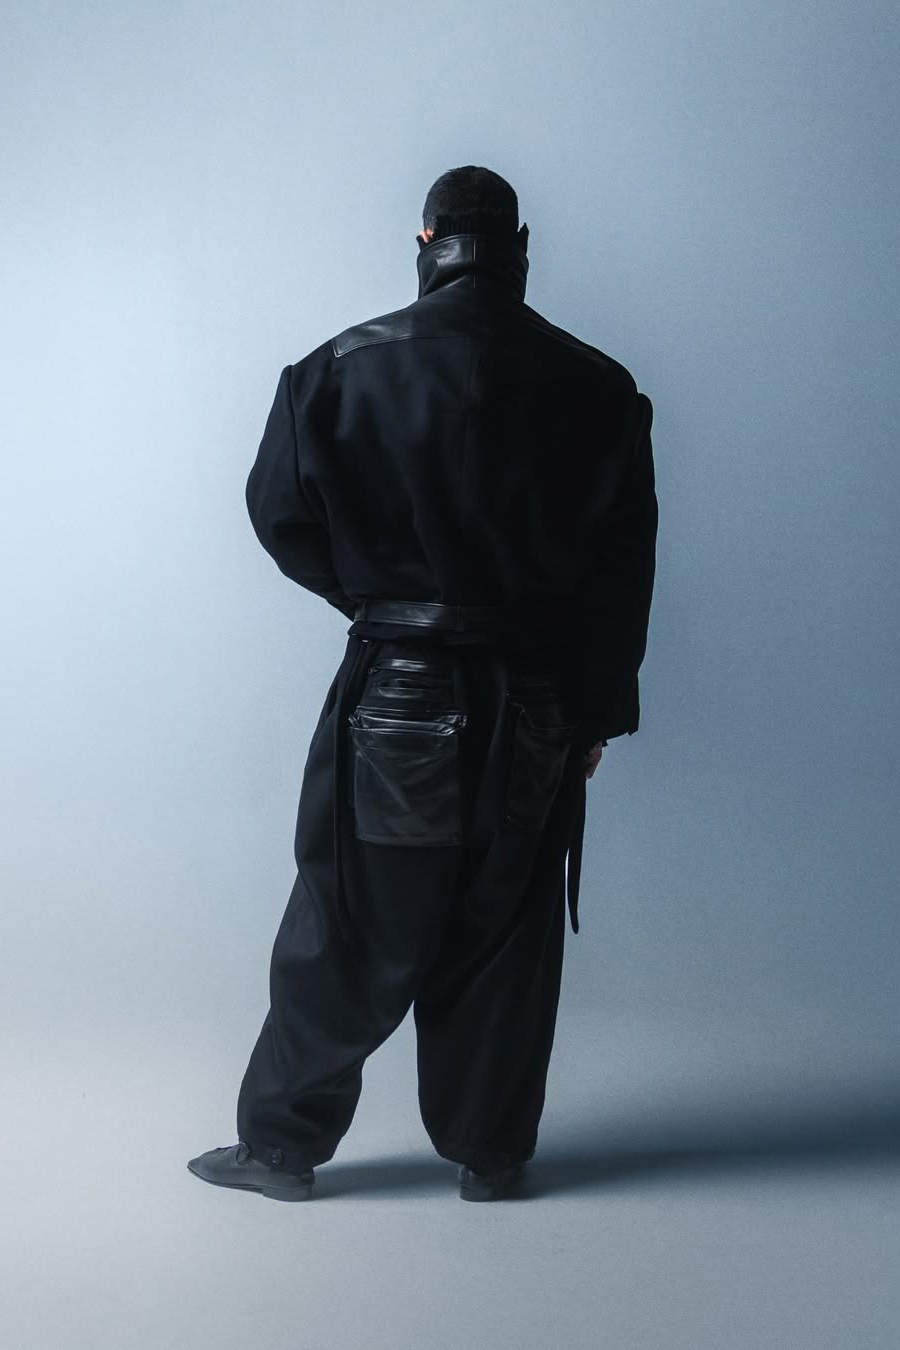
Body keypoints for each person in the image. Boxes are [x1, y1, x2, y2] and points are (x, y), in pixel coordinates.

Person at [187, 164, 657, 1203]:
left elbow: (279, 515)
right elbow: (621, 575)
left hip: (396, 696)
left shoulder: (336, 370)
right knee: (507, 928)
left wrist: (379, 602)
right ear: (519, 248)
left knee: (351, 923)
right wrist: (595, 713)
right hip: (536, 700)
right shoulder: (599, 388)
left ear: (426, 241)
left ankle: (281, 1149)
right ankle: (492, 1155)